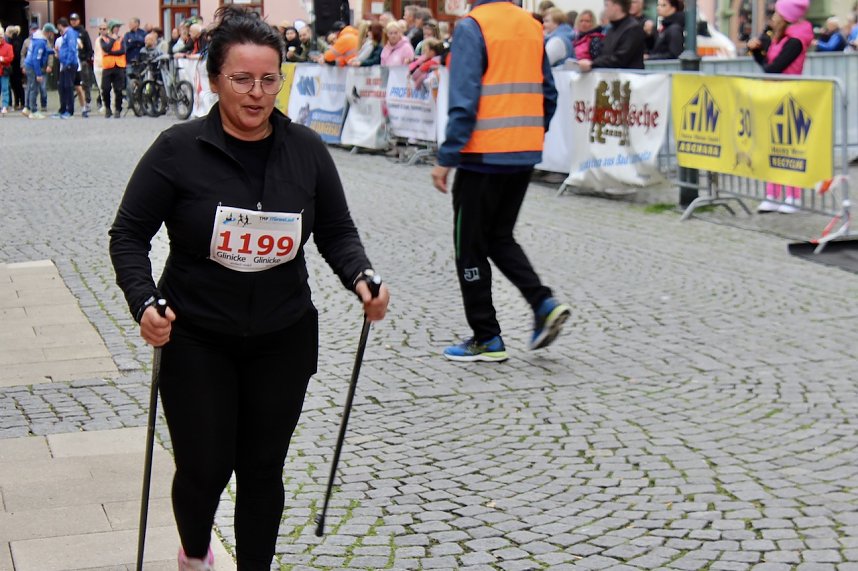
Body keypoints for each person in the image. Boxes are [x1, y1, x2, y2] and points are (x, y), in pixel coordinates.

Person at [108, 8, 389, 570]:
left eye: (268, 79)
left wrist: (360, 275)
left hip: (282, 334)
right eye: (242, 79)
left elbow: (335, 230)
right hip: (197, 335)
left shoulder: (305, 149)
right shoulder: (177, 149)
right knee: (204, 467)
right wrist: (143, 301)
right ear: (214, 80)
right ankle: (195, 555)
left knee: (263, 469)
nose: (257, 93)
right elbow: (129, 235)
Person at [430, 0, 571, 362]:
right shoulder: (531, 25)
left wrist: (447, 158)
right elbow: (549, 94)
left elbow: (464, 99)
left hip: (483, 156)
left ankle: (486, 336)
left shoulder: (472, 26)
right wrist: (530, 134)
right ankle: (543, 303)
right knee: (499, 237)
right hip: (522, 152)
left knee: (469, 246)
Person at [747, 0, 812, 213]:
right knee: (771, 145)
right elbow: (767, 65)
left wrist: (760, 55)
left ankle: (794, 196)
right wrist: (757, 52)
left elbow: (773, 69)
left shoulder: (795, 41)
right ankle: (772, 194)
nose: (773, 17)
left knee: (789, 148)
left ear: (785, 18)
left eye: (776, 13)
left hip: (790, 97)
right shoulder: (780, 38)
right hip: (774, 96)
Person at [577, 0, 645, 71]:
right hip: (611, 75)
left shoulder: (633, 29)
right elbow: (603, 54)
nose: (605, 10)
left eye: (606, 5)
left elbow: (620, 59)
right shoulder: (611, 30)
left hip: (629, 76)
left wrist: (593, 64)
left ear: (616, 6)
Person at [22, 23, 54, 119]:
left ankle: (27, 108)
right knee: (34, 89)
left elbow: (43, 51)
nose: (52, 35)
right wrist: (39, 74)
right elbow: (36, 59)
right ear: (48, 32)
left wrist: (52, 51)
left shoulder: (36, 38)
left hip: (29, 64)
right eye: (52, 33)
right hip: (32, 66)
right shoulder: (40, 41)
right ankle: (33, 111)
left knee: (31, 87)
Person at [70, 13, 95, 116]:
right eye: (72, 20)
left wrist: (86, 58)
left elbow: (89, 47)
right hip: (72, 60)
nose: (73, 21)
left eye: (75, 20)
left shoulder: (83, 32)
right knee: (73, 83)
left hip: (82, 60)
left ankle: (87, 101)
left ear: (79, 20)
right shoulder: (69, 32)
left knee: (85, 82)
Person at [54, 18, 80, 118]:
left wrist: (68, 62)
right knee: (62, 87)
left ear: (60, 25)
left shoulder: (70, 33)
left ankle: (70, 110)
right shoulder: (66, 34)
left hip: (69, 64)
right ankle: (63, 109)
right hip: (64, 64)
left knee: (68, 87)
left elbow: (72, 49)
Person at [100, 20, 126, 118]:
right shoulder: (104, 39)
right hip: (108, 67)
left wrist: (110, 53)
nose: (118, 29)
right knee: (105, 88)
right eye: (116, 27)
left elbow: (122, 51)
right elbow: (106, 48)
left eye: (118, 27)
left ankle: (118, 109)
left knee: (118, 89)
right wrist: (112, 40)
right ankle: (107, 108)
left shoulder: (121, 38)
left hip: (119, 66)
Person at [8, 26, 25, 111]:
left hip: (15, 67)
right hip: (17, 66)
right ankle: (19, 102)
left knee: (16, 85)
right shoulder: (18, 40)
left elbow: (16, 55)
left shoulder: (14, 42)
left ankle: (20, 102)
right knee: (17, 85)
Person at [0, 28, 12, 115]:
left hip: (4, 71)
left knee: (5, 89)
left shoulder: (8, 46)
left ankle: (5, 106)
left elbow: (11, 57)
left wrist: (3, 59)